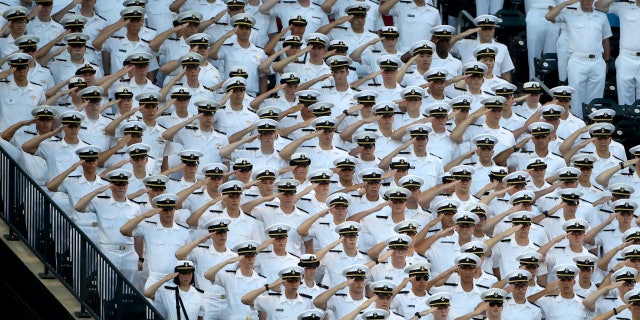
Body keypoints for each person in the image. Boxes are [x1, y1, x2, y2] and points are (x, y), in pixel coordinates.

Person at [545, 0, 612, 118]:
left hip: (597, 61)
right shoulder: (569, 13)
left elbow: (606, 40)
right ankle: (578, 125)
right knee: (576, 99)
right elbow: (549, 16)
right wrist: (565, 4)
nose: (587, 1)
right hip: (577, 60)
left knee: (595, 99)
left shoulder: (601, 16)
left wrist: (606, 61)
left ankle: (592, 127)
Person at [240, 266, 314, 319]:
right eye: (290, 281)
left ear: (300, 282)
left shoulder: (307, 301)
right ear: (283, 283)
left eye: (296, 281)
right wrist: (267, 287)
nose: (294, 284)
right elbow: (245, 300)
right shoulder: (271, 300)